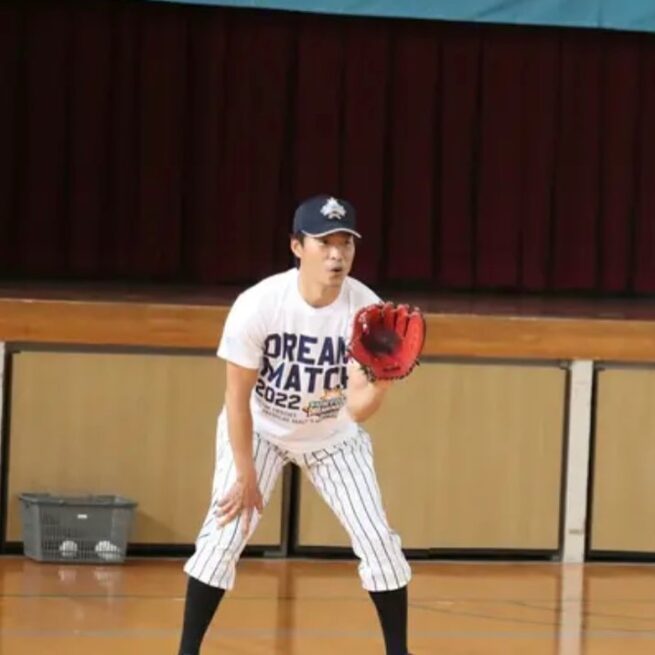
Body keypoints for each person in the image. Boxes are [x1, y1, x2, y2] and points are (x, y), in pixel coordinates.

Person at [178, 194, 413, 655]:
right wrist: (245, 472)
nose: (336, 255)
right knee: (222, 538)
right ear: (297, 246)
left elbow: (356, 409)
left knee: (378, 542)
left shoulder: (366, 311)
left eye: (346, 243)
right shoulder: (260, 304)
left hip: (331, 436)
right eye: (324, 243)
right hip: (261, 430)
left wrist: (382, 384)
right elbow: (236, 398)